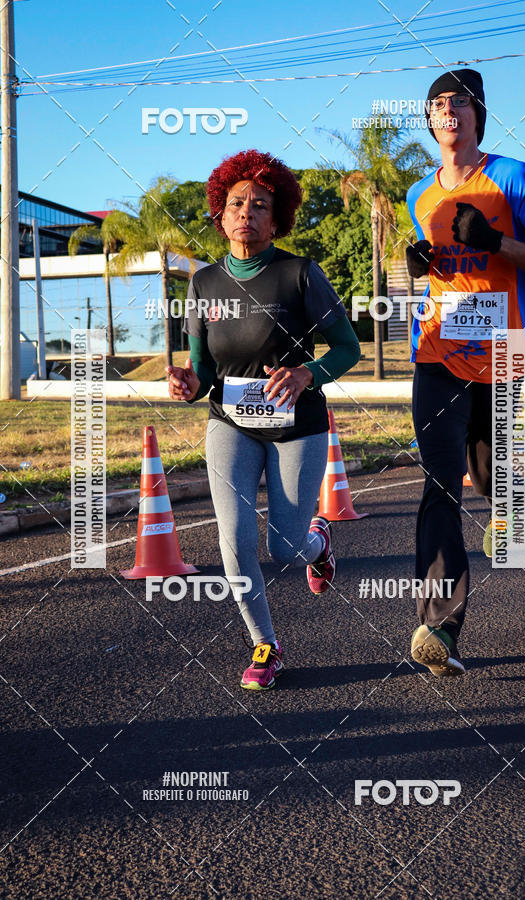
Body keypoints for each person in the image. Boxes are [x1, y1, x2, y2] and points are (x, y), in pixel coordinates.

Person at [166, 149, 361, 691]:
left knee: (284, 547)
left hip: (297, 424)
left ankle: (317, 544)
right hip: (230, 422)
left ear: (277, 220)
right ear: (220, 215)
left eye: (259, 204)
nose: (246, 212)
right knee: (233, 540)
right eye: (235, 203)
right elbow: (203, 371)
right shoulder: (203, 284)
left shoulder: (299, 274)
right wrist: (187, 384)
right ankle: (265, 644)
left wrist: (307, 375)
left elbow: (348, 348)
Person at [405, 69, 525, 676]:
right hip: (437, 353)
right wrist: (419, 263)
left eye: (459, 103)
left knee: (492, 483)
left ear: (477, 114)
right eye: (437, 105)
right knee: (439, 485)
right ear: (428, 120)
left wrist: (496, 241)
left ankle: (505, 503)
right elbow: (444, 271)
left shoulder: (513, 177)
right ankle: (439, 630)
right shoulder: (420, 194)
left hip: (502, 354)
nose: (447, 112)